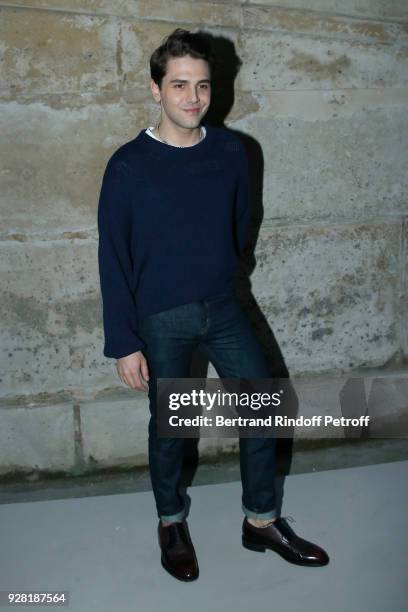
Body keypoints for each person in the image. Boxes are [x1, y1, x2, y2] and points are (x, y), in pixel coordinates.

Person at [97, 28, 329, 582]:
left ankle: (261, 521)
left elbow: (242, 222)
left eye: (202, 85)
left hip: (224, 306)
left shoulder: (233, 151)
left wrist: (228, 275)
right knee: (172, 425)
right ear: (156, 89)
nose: (193, 97)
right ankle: (171, 522)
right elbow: (113, 256)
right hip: (162, 317)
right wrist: (123, 342)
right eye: (179, 85)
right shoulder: (128, 166)